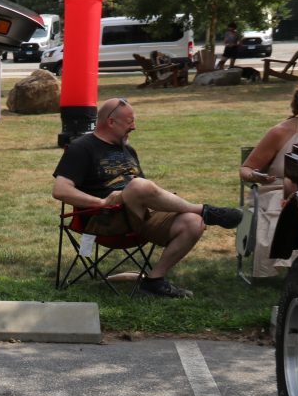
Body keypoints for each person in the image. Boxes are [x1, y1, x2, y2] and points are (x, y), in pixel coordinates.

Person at [53, 97, 244, 299]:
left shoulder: (128, 150)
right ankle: (205, 209)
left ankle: (154, 280)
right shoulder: (81, 148)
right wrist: (101, 202)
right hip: (105, 219)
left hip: (140, 217)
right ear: (111, 122)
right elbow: (60, 190)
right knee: (138, 185)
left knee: (193, 222)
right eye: (129, 122)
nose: (134, 127)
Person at [241, 76, 298, 276]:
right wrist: (258, 176)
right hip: (279, 190)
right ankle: (296, 270)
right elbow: (246, 168)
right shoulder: (281, 132)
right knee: (289, 212)